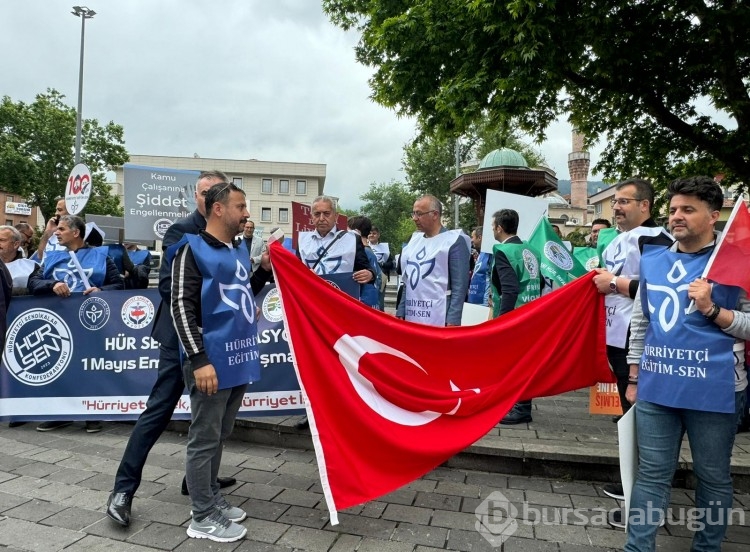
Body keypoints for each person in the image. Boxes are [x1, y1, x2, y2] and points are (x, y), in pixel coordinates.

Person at [624, 176, 750, 551]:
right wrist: (634, 375)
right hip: (658, 385)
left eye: (688, 210)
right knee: (651, 474)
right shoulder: (654, 259)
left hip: (718, 389)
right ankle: (637, 547)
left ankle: (706, 547)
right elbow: (642, 319)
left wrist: (714, 310)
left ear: (714, 215)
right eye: (674, 209)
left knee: (712, 477)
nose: (677, 216)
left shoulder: (738, 264)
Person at [106, 171, 236, 527]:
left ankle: (199, 483)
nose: (208, 198)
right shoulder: (182, 231)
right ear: (197, 197)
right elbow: (168, 287)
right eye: (203, 192)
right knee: (158, 412)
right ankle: (123, 489)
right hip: (180, 340)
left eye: (215, 192)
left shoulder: (231, 234)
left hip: (217, 343)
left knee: (214, 418)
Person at [172, 182, 271, 542]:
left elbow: (241, 294)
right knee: (204, 438)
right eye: (240, 206)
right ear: (218, 209)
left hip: (237, 356)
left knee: (220, 435)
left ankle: (212, 498)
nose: (246, 213)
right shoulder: (192, 249)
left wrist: (261, 270)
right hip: (211, 361)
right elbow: (180, 306)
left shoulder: (235, 249)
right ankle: (202, 516)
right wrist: (199, 360)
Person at [591, 178, 672, 516]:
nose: (617, 208)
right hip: (614, 337)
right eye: (615, 202)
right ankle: (632, 481)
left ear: (645, 206)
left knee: (640, 412)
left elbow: (664, 289)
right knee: (627, 411)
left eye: (625, 201)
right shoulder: (616, 240)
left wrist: (613, 283)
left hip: (638, 342)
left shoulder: (656, 239)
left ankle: (642, 488)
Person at [27, 215, 124, 434]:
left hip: (91, 321)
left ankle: (92, 414)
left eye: (61, 229)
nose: (56, 232)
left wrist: (101, 291)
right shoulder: (51, 257)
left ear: (76, 232)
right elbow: (33, 282)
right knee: (61, 367)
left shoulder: (101, 256)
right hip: (59, 320)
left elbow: (118, 283)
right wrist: (53, 284)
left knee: (90, 365)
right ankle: (60, 414)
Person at [295, 196, 375, 429]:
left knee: (342, 360)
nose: (321, 218)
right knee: (313, 361)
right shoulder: (304, 240)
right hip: (311, 311)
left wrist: (368, 275)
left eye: (326, 213)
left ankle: (345, 410)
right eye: (317, 214)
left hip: (342, 312)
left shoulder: (351, 240)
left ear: (335, 215)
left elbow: (367, 270)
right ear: (311, 216)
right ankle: (311, 411)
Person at [490, 209, 544, 424]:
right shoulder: (531, 250)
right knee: (525, 361)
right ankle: (520, 404)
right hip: (531, 313)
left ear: (499, 228)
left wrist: (503, 320)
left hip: (515, 316)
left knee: (514, 363)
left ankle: (521, 408)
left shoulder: (504, 251)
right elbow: (539, 283)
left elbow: (509, 289)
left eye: (493, 226)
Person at [397, 194, 471, 326]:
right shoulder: (413, 241)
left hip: (440, 314)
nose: (414, 218)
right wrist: (401, 310)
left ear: (435, 215)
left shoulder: (454, 241)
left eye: (419, 214)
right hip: (412, 313)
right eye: (413, 213)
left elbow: (460, 285)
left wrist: (453, 319)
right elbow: (407, 280)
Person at [348, 215, 382, 309]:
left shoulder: (360, 252)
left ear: (356, 231)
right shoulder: (370, 251)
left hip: (362, 301)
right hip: (372, 301)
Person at [368, 226, 393, 310]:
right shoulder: (364, 246)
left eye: (374, 233)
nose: (372, 235)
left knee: (380, 301)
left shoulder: (385, 248)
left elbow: (391, 264)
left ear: (378, 235)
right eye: (370, 233)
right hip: (367, 278)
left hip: (381, 278)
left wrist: (381, 264)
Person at [467, 225, 492, 306]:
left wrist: (491, 296)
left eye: (472, 237)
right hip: (474, 300)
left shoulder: (490, 254)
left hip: (484, 302)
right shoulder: (481, 254)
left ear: (480, 237)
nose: (471, 240)